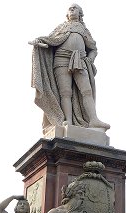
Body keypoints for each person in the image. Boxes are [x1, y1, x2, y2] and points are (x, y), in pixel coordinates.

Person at [29, 4, 110, 133]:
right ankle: (67, 121)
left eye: (75, 8)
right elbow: (51, 40)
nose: (72, 10)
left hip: (80, 60)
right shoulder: (62, 27)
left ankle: (93, 119)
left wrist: (90, 58)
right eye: (70, 9)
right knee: (65, 92)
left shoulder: (84, 30)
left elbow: (93, 49)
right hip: (61, 59)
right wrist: (40, 42)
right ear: (67, 14)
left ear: (80, 13)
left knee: (86, 90)